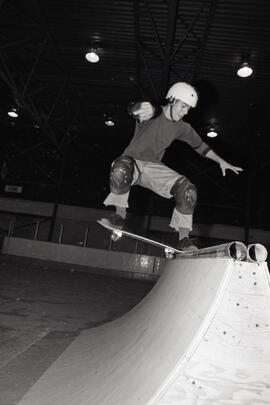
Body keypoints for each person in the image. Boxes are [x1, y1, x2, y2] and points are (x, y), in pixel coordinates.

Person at [103, 82, 243, 251]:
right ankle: (119, 218)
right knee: (121, 168)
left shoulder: (183, 127)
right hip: (132, 164)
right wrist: (135, 107)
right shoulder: (153, 113)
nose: (185, 112)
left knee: (187, 190)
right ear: (172, 100)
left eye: (188, 109)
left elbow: (200, 146)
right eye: (183, 106)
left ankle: (183, 240)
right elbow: (136, 110)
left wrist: (221, 161)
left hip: (154, 169)